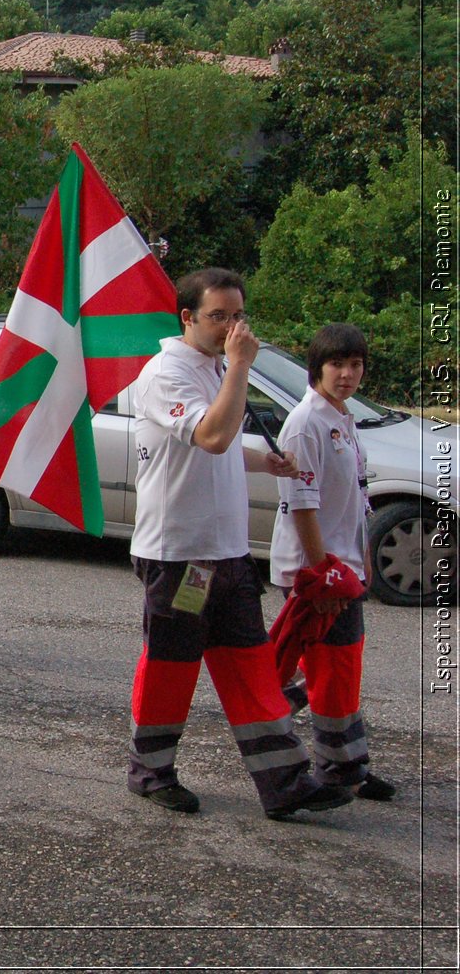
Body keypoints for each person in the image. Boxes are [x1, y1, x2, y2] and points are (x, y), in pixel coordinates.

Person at [126, 267, 352, 820]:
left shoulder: (214, 367)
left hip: (225, 551)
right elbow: (209, 435)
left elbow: (224, 443)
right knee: (172, 664)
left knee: (250, 664)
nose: (230, 327)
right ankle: (150, 770)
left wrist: (263, 459)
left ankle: (285, 782)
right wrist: (241, 368)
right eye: (218, 316)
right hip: (179, 554)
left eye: (236, 316)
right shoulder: (164, 373)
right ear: (187, 318)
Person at [269, 323, 395, 802]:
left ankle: (347, 764)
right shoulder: (306, 423)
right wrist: (322, 576)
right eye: (336, 365)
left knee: (337, 668)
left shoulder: (341, 417)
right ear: (317, 368)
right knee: (334, 670)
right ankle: (336, 769)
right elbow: (301, 505)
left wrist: (359, 566)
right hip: (318, 573)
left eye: (355, 365)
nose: (347, 374)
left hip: (344, 570)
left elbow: (354, 501)